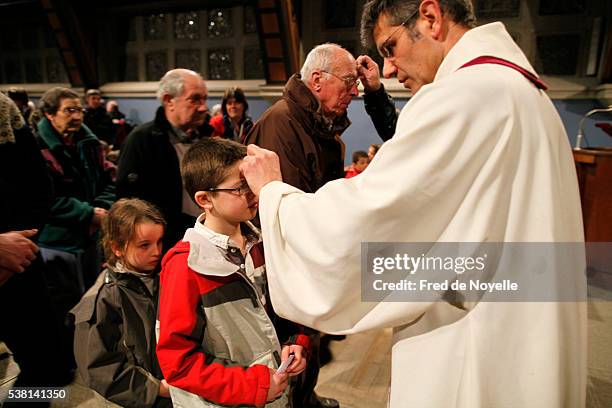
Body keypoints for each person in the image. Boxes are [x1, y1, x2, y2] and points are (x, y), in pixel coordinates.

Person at [240, 1, 586, 407]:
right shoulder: (520, 90)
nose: (387, 69)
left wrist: (276, 198)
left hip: (476, 330)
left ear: (431, 17)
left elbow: (369, 211)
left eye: (390, 47)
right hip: (524, 321)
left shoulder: (463, 95)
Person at [156, 138, 309, 408]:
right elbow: (178, 362)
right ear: (205, 199)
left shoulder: (261, 243)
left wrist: (295, 340)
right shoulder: (186, 264)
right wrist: (253, 385)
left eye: (253, 183)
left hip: (275, 391)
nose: (254, 193)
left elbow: (280, 308)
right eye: (241, 188)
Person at [0, 92, 73, 399]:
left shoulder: (4, 109)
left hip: (18, 259)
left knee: (50, 368)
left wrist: (17, 248)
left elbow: (39, 186)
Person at [70, 198, 171, 408]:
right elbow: (98, 367)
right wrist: (154, 389)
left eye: (159, 241)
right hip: (137, 398)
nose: (157, 251)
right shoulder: (103, 300)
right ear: (118, 248)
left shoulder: (159, 276)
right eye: (144, 245)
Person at [117, 68, 209, 250]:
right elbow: (129, 202)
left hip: (204, 236)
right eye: (195, 99)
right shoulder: (143, 140)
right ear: (169, 100)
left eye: (205, 99)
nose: (203, 107)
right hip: (166, 244)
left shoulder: (206, 137)